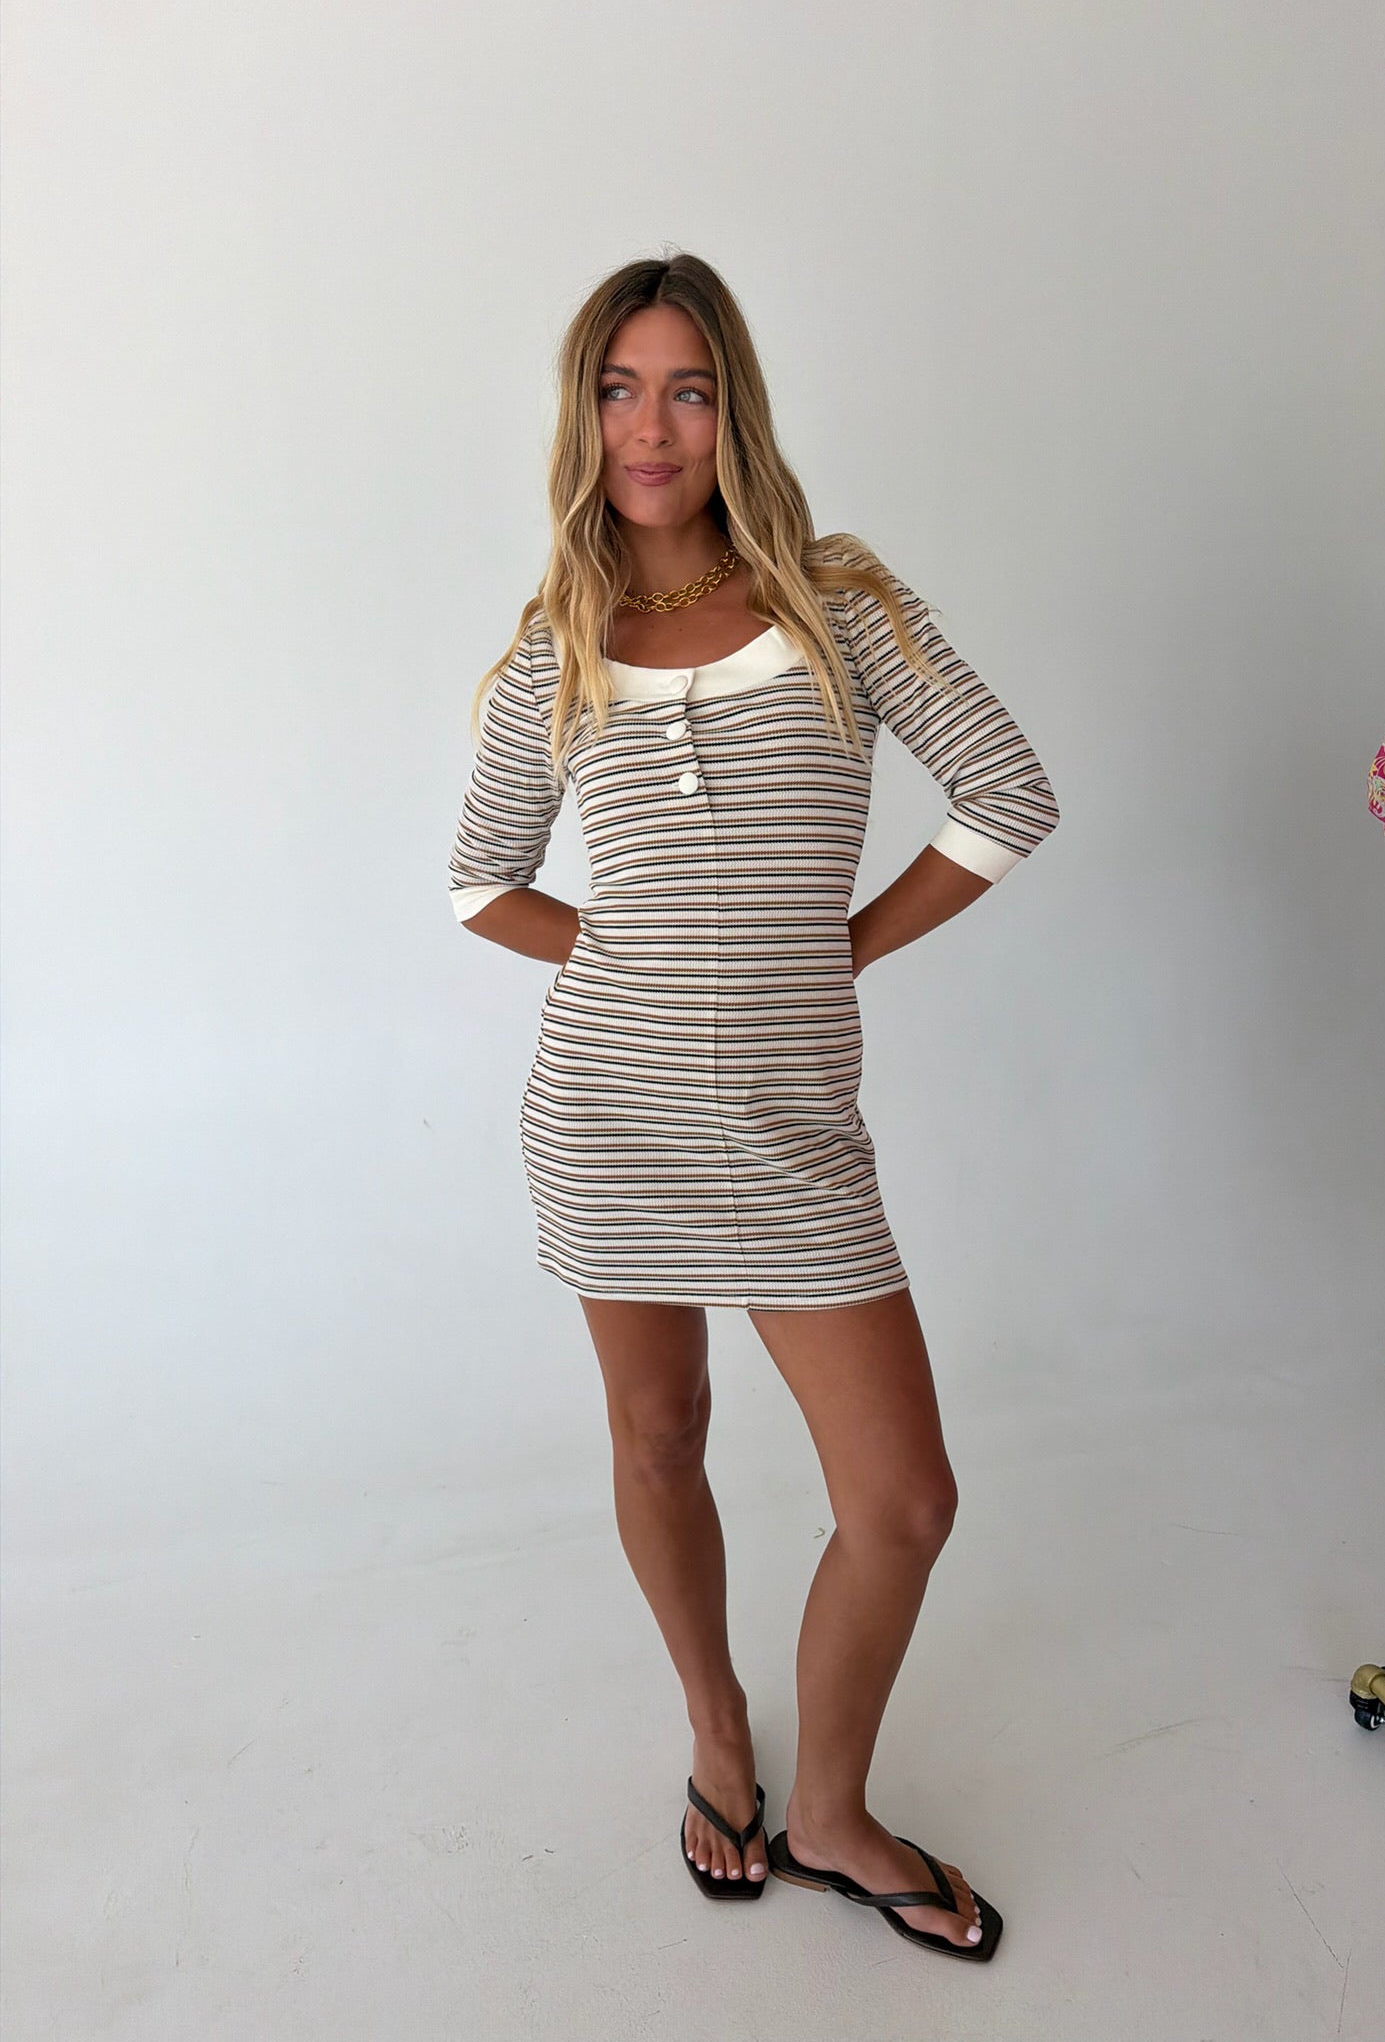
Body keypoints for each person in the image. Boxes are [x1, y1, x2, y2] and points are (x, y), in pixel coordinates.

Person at [447, 252, 1058, 1961]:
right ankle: (719, 1733)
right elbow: (481, 879)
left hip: (793, 1134)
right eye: (619, 389)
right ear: (583, 416)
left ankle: (835, 1813)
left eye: (689, 390)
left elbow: (1009, 793)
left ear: (737, 413)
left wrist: (832, 950)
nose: (651, 427)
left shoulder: (838, 600)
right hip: (610, 1116)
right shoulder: (558, 648)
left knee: (905, 1502)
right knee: (660, 1437)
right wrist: (633, 963)